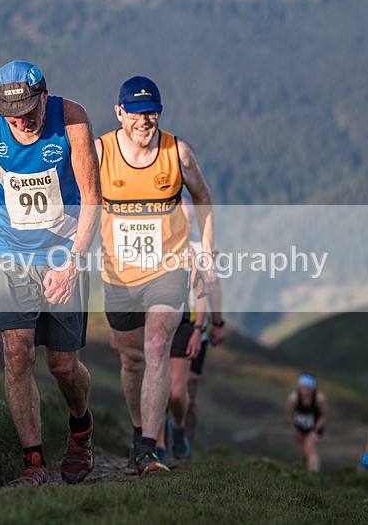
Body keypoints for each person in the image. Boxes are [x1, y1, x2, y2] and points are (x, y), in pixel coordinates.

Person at [0, 60, 101, 485]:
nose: (23, 122)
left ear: (45, 96)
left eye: (31, 111)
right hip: (9, 254)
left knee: (64, 366)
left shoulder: (72, 119)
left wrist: (72, 263)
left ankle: (81, 429)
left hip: (63, 255)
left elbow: (92, 198)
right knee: (17, 354)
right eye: (13, 115)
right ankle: (33, 463)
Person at [96, 75, 216, 475]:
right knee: (132, 361)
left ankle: (150, 447)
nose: (144, 121)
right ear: (119, 113)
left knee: (158, 344)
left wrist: (207, 254)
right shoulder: (100, 152)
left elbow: (203, 198)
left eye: (151, 113)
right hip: (119, 274)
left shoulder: (177, 153)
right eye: (135, 113)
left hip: (169, 267)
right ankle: (138, 433)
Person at [156, 198, 225, 463]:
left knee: (182, 391)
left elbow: (212, 288)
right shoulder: (157, 243)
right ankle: (159, 442)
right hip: (163, 322)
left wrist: (213, 324)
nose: (184, 221)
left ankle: (181, 432)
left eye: (188, 217)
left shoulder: (202, 248)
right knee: (158, 383)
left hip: (192, 325)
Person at [286, 372, 328, 472]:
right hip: (299, 427)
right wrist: (294, 428)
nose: (305, 389)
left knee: (310, 448)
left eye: (307, 387)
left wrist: (314, 431)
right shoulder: (293, 398)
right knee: (304, 451)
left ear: (312, 387)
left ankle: (314, 474)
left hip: (315, 427)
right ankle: (306, 468)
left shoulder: (319, 399)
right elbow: (289, 413)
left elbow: (323, 415)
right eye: (303, 386)